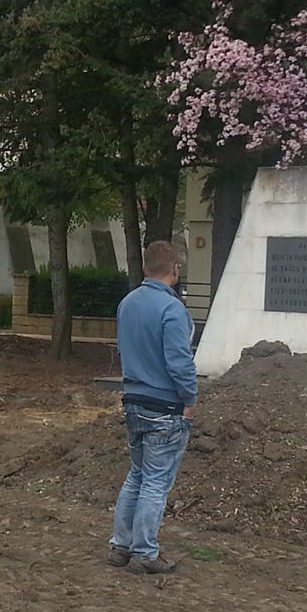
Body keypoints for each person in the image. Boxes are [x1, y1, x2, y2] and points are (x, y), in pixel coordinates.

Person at [109, 238, 198, 576]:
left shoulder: (127, 303)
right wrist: (190, 398)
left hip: (133, 399)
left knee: (137, 474)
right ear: (175, 269)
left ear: (146, 267)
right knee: (156, 482)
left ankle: (121, 545)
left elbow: (123, 348)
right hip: (165, 406)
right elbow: (179, 362)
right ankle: (145, 552)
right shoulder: (172, 310)